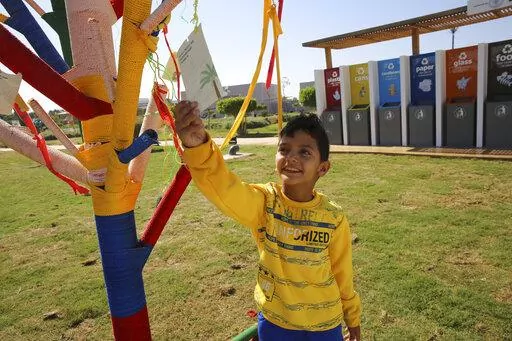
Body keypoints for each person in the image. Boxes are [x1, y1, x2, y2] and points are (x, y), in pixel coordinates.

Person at [175, 101, 361, 341]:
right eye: (284, 149)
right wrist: (197, 145)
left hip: (325, 325)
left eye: (304, 152)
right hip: (276, 323)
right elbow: (226, 189)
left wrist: (352, 316)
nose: (291, 158)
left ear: (323, 168)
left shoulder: (334, 217)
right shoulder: (265, 203)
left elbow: (342, 273)